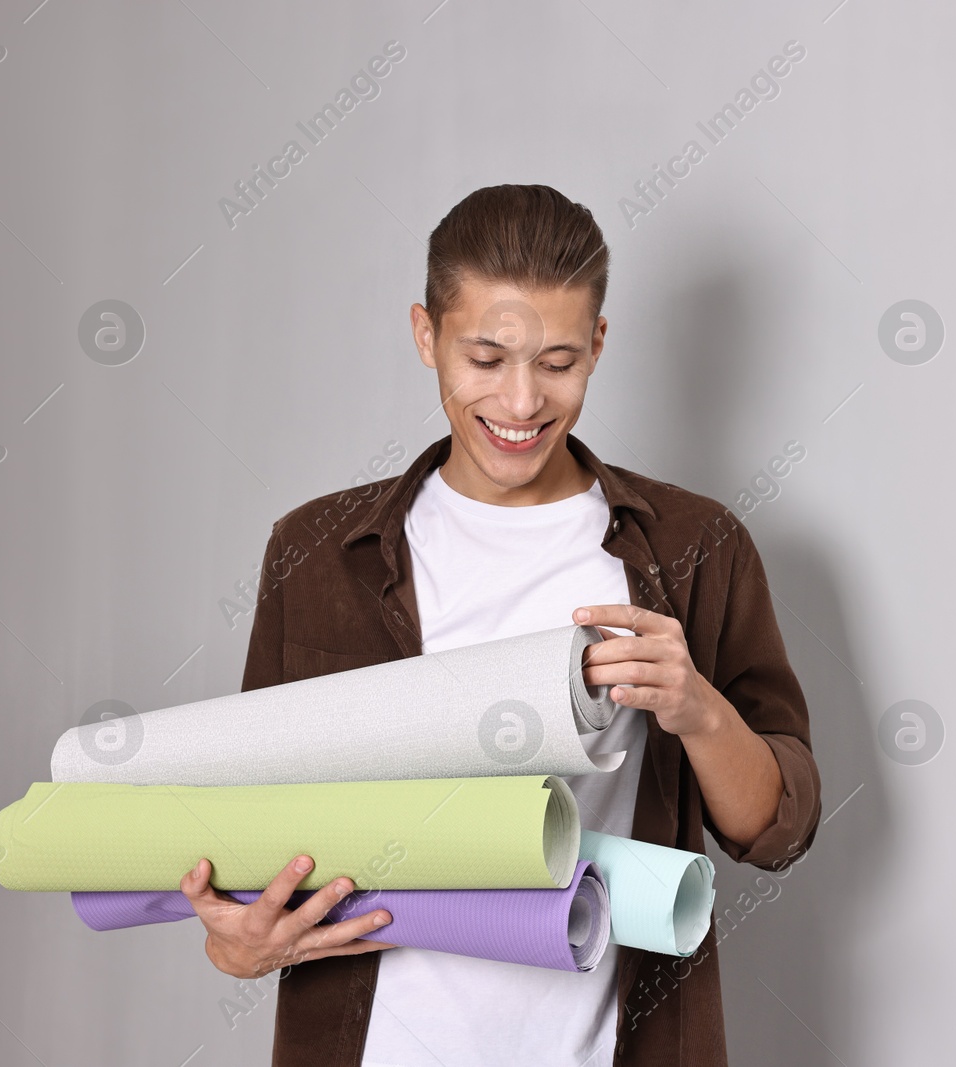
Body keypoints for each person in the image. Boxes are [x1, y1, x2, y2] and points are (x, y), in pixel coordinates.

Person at [176, 184, 822, 1066]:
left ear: (598, 345)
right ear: (425, 335)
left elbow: (776, 831)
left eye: (557, 362)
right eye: (485, 358)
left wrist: (698, 708)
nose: (520, 403)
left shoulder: (694, 547)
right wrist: (235, 945)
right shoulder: (317, 551)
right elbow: (251, 829)